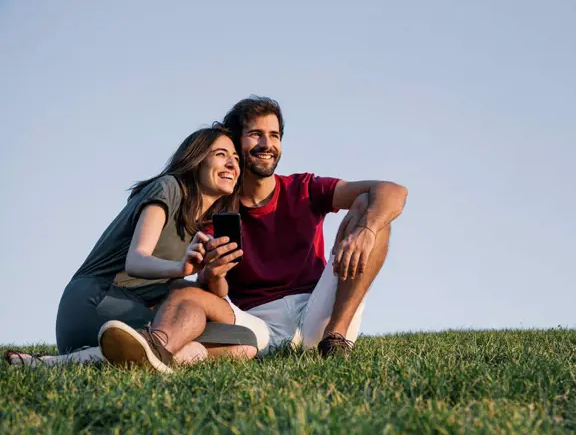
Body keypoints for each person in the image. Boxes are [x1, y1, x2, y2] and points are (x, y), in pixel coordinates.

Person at [4, 125, 257, 372]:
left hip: (132, 310)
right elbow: (136, 260)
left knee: (242, 343)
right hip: (95, 300)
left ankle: (131, 355)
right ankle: (60, 363)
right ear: (196, 160)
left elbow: (212, 296)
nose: (232, 165)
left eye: (236, 158)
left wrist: (216, 273)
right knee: (188, 307)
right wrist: (181, 268)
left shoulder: (199, 225)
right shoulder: (169, 188)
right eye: (221, 154)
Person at [199, 95, 408, 358]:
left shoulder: (304, 188)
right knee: (194, 336)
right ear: (234, 142)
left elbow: (392, 191)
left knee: (369, 206)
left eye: (274, 135)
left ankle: (336, 340)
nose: (267, 144)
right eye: (256, 134)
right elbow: (208, 284)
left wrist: (367, 230)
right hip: (258, 324)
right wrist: (211, 273)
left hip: (316, 311)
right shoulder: (217, 211)